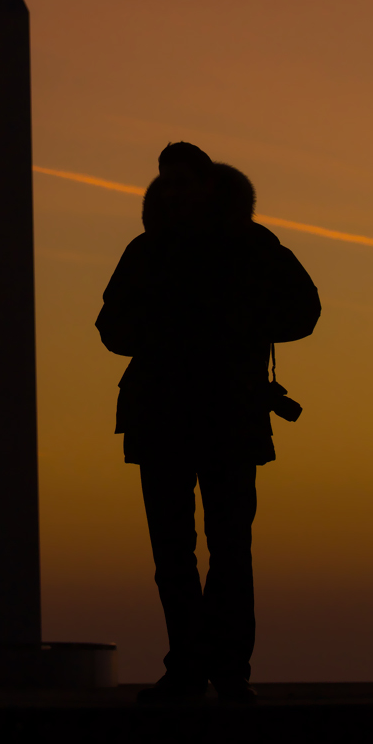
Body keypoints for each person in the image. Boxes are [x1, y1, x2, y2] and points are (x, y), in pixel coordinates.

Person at [96, 142, 321, 705]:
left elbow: (305, 311)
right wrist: (163, 332)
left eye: (182, 182)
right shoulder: (145, 252)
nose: (173, 192)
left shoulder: (251, 246)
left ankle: (229, 669)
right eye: (165, 183)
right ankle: (187, 669)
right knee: (172, 554)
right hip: (161, 415)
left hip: (228, 414)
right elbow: (111, 328)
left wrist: (236, 326)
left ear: (207, 186)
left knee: (228, 548)